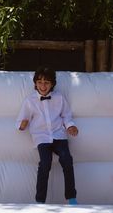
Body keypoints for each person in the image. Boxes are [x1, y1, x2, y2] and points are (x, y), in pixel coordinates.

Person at [17, 66, 78, 205]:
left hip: (59, 135)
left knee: (67, 159)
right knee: (45, 163)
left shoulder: (59, 98)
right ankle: (40, 201)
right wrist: (22, 125)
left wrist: (71, 126)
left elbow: (67, 116)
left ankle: (71, 198)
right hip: (42, 137)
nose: (43, 86)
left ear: (52, 84)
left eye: (46, 82)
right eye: (39, 82)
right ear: (35, 84)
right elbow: (21, 120)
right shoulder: (30, 101)